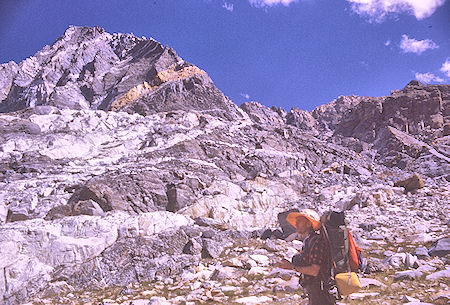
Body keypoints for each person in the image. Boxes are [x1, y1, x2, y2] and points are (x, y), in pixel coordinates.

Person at [277, 209, 335, 305]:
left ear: (308, 224)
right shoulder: (309, 241)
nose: (296, 224)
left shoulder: (316, 242)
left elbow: (314, 270)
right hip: (316, 290)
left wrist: (291, 267)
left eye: (299, 221)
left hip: (320, 291)